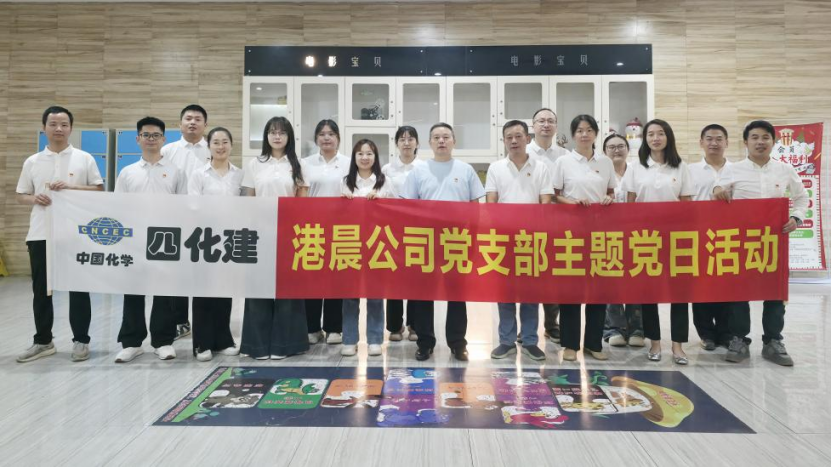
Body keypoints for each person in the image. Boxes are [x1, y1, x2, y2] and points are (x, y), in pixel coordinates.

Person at [714, 120, 807, 366]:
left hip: (773, 241)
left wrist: (796, 217)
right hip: (741, 241)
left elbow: (802, 197)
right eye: (754, 137)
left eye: (765, 137)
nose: (760, 142)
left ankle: (773, 341)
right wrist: (718, 190)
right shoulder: (733, 169)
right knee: (739, 292)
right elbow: (717, 188)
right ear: (745, 142)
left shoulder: (785, 170)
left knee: (775, 292)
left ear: (773, 142)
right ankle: (739, 340)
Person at [15, 106, 104, 363]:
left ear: (71, 128)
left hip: (76, 234)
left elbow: (99, 191)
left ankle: (81, 340)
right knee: (41, 290)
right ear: (44, 127)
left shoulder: (84, 158)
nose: (59, 129)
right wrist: (35, 198)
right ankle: (43, 341)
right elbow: (21, 195)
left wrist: (71, 188)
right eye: (53, 124)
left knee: (79, 289)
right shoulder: (32, 161)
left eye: (64, 124)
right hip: (41, 233)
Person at [401, 122, 486, 361]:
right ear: (429, 143)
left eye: (446, 137)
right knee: (423, 294)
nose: (441, 141)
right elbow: (408, 207)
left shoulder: (465, 170)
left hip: (456, 240)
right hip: (425, 241)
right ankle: (425, 342)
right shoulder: (418, 171)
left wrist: (473, 238)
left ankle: (458, 343)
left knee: (457, 294)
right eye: (436, 137)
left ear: (453, 141)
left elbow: (475, 207)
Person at [113, 116, 187, 363]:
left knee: (164, 292)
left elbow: (184, 206)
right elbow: (118, 207)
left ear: (163, 139)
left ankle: (163, 341)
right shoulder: (127, 172)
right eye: (146, 135)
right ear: (138, 139)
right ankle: (132, 342)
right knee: (133, 291)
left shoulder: (176, 171)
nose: (151, 139)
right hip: (134, 239)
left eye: (156, 135)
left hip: (166, 239)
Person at [621, 118, 694, 365]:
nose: (655, 138)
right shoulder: (636, 167)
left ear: (668, 137)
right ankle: (654, 342)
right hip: (645, 239)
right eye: (650, 134)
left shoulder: (681, 167)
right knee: (649, 293)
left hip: (675, 238)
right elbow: (630, 202)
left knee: (679, 294)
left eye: (660, 133)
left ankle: (678, 346)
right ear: (645, 139)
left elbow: (686, 204)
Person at [240, 116, 310, 360]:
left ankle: (285, 345)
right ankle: (257, 346)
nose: (277, 136)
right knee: (259, 289)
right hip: (260, 234)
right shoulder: (255, 164)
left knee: (287, 290)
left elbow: (302, 203)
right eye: (272, 132)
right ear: (266, 136)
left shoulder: (298, 164)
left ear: (289, 136)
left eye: (282, 132)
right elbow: (248, 199)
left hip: (289, 234)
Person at [486, 120, 554, 361]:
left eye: (518, 136)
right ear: (504, 141)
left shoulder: (541, 168)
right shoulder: (496, 168)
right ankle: (506, 341)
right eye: (509, 137)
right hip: (504, 238)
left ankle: (530, 341)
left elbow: (546, 202)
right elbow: (491, 202)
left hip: (532, 240)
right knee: (504, 292)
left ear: (527, 138)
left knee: (530, 293)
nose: (513, 141)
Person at [552, 114, 616, 362]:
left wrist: (609, 199)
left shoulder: (605, 162)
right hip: (571, 234)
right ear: (573, 135)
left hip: (600, 234)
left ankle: (593, 343)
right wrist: (572, 202)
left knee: (598, 291)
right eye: (579, 130)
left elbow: (610, 191)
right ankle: (570, 345)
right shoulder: (563, 161)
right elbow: (555, 195)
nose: (584, 134)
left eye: (589, 130)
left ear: (596, 134)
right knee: (571, 290)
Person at [187, 127, 243, 361]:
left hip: (230, 240)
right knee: (203, 292)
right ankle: (202, 343)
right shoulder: (199, 174)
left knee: (224, 291)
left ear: (231, 145)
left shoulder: (239, 175)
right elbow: (193, 206)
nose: (221, 146)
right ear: (208, 146)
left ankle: (223, 340)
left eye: (225, 142)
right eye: (216, 142)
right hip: (205, 239)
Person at [340, 139, 397, 357]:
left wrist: (380, 202)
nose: (365, 158)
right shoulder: (345, 181)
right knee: (349, 295)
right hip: (350, 244)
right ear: (354, 158)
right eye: (360, 154)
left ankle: (375, 339)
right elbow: (336, 213)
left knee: (375, 295)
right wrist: (344, 202)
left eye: (369, 153)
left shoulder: (385, 182)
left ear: (376, 157)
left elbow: (396, 212)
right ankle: (349, 340)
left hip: (377, 244)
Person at [161, 104, 211, 341]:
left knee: (204, 270)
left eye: (198, 119)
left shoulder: (213, 148)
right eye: (188, 118)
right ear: (179, 124)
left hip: (206, 219)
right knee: (177, 272)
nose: (192, 122)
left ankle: (205, 320)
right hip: (175, 218)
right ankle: (180, 321)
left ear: (205, 125)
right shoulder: (167, 150)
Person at [303, 119, 349, 345]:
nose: (326, 138)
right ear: (316, 139)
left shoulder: (349, 163)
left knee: (336, 279)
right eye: (322, 134)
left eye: (331, 134)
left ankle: (334, 328)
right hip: (312, 228)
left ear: (338, 138)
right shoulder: (306, 163)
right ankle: (312, 327)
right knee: (312, 278)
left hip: (341, 229)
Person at [689, 124, 733, 351]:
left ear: (727, 142)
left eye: (719, 139)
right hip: (699, 236)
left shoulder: (737, 170)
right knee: (702, 286)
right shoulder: (690, 170)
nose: (714, 143)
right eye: (709, 139)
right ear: (701, 142)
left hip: (730, 237)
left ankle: (726, 333)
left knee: (726, 286)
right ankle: (706, 333)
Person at [527, 108, 569, 344]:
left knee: (554, 276)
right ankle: (527, 328)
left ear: (556, 126)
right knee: (530, 275)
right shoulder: (523, 153)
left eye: (550, 121)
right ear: (533, 126)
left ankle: (552, 325)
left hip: (559, 224)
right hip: (528, 224)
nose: (546, 125)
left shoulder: (565, 155)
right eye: (541, 121)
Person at [381, 125, 425, 342]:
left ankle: (415, 325)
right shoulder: (387, 169)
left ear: (417, 143)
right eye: (402, 139)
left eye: (410, 139)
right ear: (396, 143)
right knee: (394, 277)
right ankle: (395, 326)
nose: (406, 143)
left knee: (417, 277)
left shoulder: (425, 167)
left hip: (418, 228)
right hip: (393, 229)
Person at [601, 133, 645, 348]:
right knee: (612, 281)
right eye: (611, 147)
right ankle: (613, 328)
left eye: (621, 146)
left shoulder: (638, 171)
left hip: (637, 235)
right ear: (604, 151)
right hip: (607, 235)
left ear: (628, 149)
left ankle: (637, 328)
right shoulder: (599, 173)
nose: (616, 150)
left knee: (637, 279)